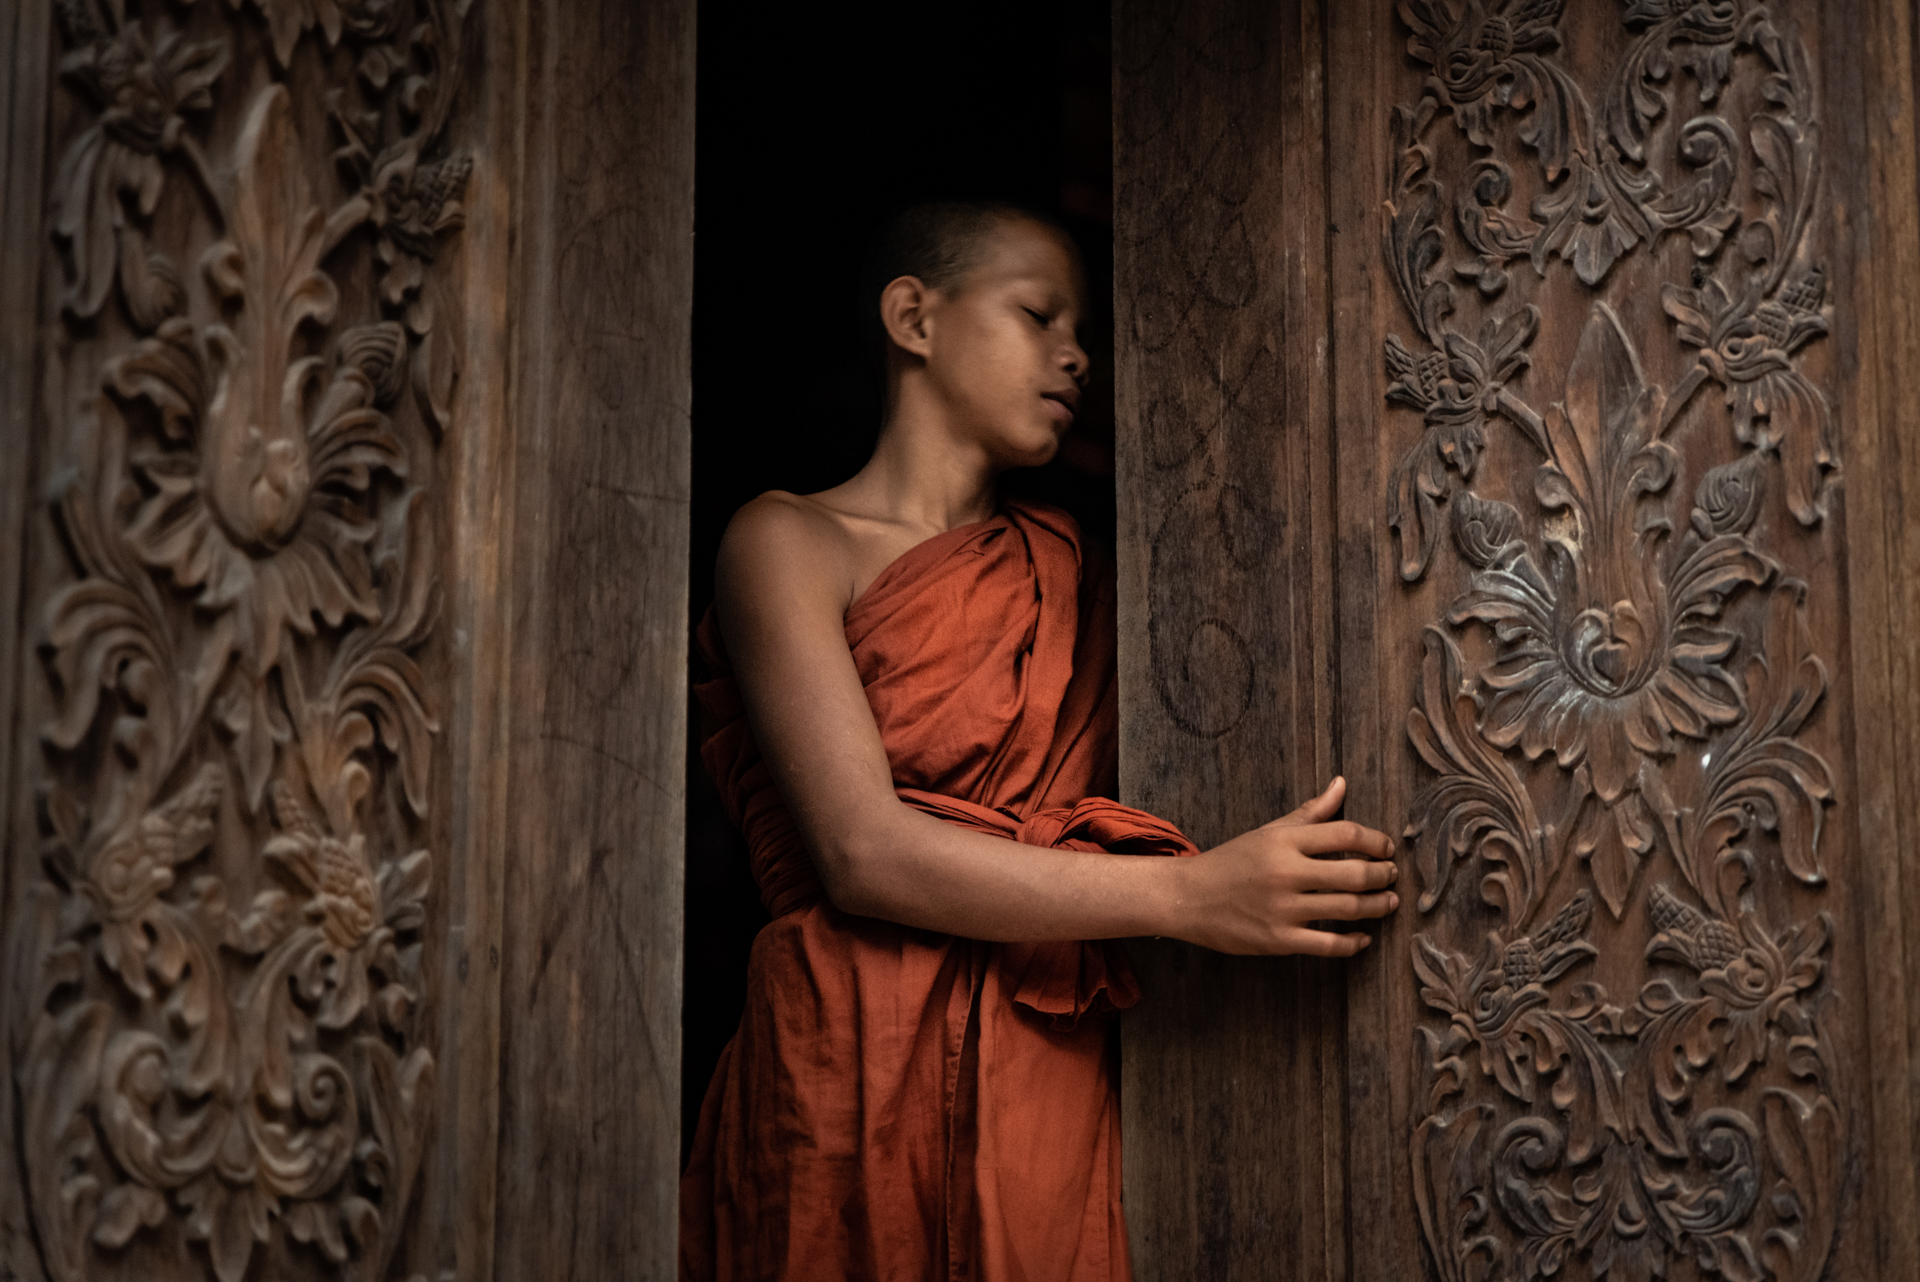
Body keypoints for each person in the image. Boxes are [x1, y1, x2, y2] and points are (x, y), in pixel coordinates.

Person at [679, 202, 1399, 1281]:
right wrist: (1195, 897)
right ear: (913, 317)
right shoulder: (787, 539)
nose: (1077, 355)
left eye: (1085, 332)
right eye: (1038, 314)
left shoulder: (1076, 568)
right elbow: (863, 852)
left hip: (1040, 1052)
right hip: (845, 1049)